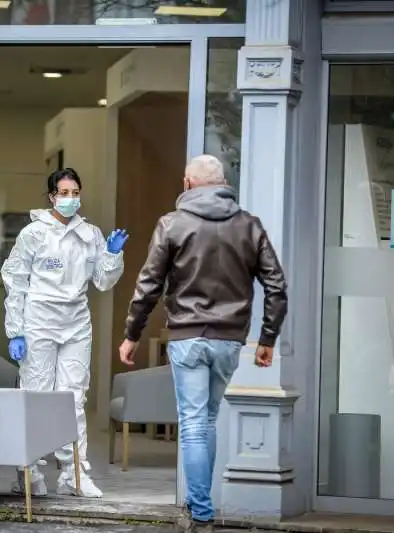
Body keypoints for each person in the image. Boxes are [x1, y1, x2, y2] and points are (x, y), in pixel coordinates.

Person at [117, 155, 287, 532]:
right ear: (223, 183)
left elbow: (148, 286)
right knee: (207, 421)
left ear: (188, 184)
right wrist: (267, 338)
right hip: (229, 340)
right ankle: (201, 504)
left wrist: (132, 334)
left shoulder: (172, 224)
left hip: (187, 337)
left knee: (194, 424)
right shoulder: (249, 225)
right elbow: (276, 284)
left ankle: (200, 510)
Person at [1, 168, 128, 499]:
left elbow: (103, 281)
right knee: (36, 395)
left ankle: (75, 473)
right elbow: (15, 279)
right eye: (64, 192)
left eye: (75, 192)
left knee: (73, 398)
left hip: (76, 323)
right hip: (38, 321)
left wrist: (113, 254)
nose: (71, 198)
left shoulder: (90, 235)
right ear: (51, 196)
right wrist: (16, 330)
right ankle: (29, 471)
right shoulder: (34, 234)